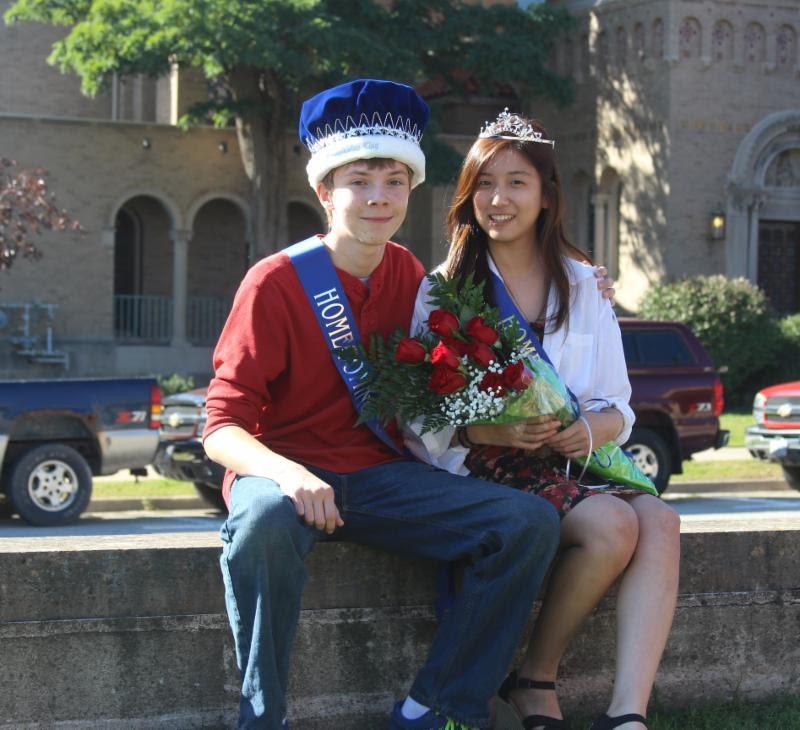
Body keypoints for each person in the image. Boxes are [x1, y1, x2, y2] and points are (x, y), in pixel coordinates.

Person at [202, 80, 563, 730]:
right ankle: (261, 718)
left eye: (395, 181)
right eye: (359, 181)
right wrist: (286, 473)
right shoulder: (275, 282)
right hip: (279, 478)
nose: (377, 197)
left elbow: (501, 293)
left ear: (411, 190)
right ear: (324, 192)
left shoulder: (412, 279)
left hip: (375, 477)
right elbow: (220, 428)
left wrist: (585, 278)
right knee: (260, 528)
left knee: (527, 524)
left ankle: (437, 705)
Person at [405, 110, 681, 730]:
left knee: (659, 520)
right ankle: (536, 679)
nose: (498, 199)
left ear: (547, 195)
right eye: (483, 183)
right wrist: (489, 430)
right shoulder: (443, 290)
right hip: (487, 464)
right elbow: (419, 417)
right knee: (613, 525)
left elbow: (619, 406)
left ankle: (628, 714)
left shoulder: (585, 285)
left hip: (575, 458)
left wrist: (588, 430)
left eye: (517, 182)